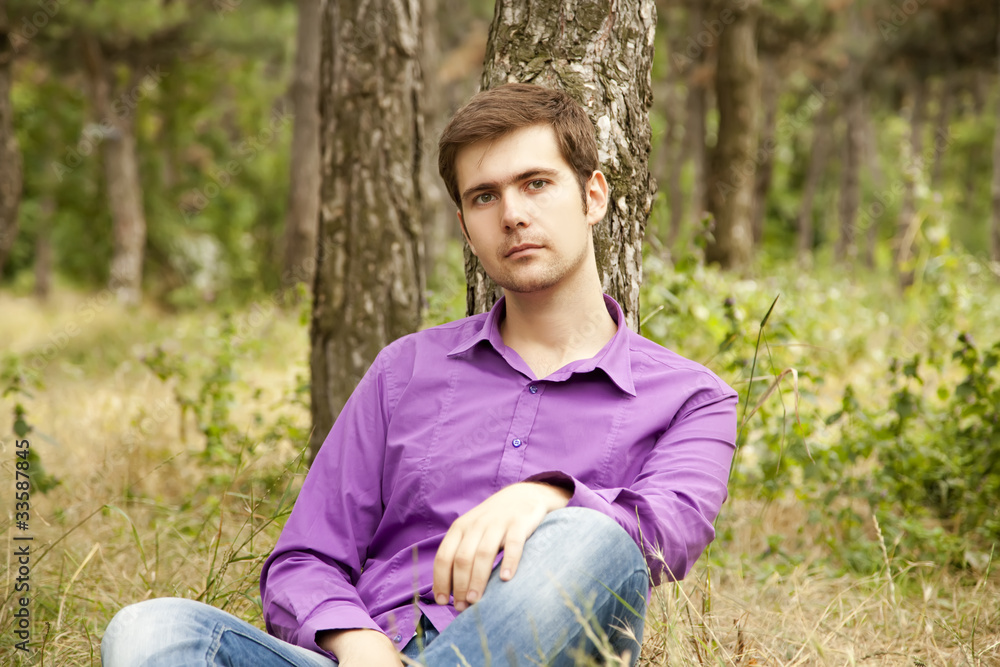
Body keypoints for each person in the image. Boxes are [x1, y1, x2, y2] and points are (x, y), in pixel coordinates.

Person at [101, 83, 737, 667]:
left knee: (590, 538)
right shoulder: (405, 369)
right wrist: (358, 643)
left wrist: (549, 496)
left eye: (536, 183)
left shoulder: (691, 398)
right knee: (151, 631)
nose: (512, 214)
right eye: (484, 196)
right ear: (466, 227)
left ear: (593, 196)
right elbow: (305, 559)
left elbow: (665, 534)